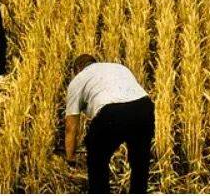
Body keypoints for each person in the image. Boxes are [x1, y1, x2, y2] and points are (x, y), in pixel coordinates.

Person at [63, 54, 155, 194]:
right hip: (143, 106)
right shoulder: (119, 68)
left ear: (77, 69)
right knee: (140, 162)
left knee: (97, 158)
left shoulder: (78, 79)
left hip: (111, 112)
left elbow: (71, 127)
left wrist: (70, 157)